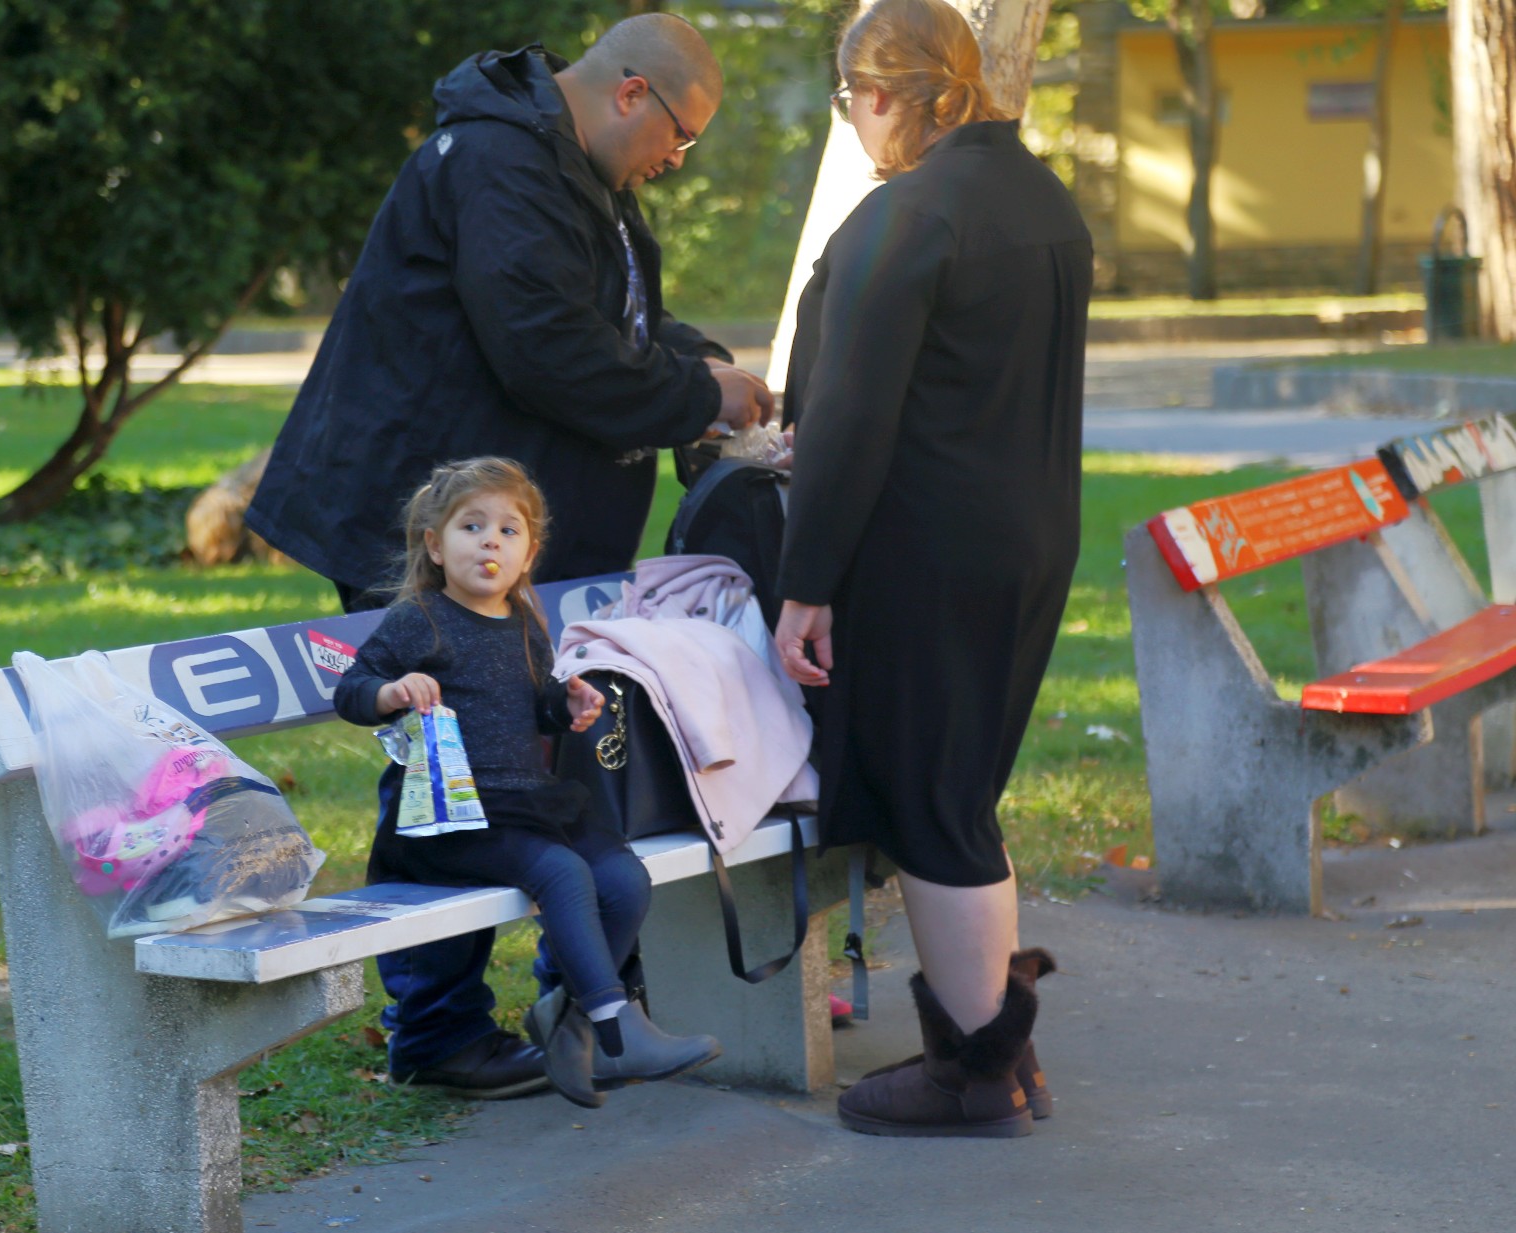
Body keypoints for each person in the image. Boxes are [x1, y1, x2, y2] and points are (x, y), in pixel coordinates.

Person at [249, 13, 772, 1098]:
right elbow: (550, 353)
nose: (679, 160)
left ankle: (579, 996)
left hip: (502, 544)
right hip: (425, 535)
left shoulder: (574, 171)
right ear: (632, 93)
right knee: (446, 775)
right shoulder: (499, 161)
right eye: (681, 134)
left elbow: (619, 323)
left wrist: (706, 375)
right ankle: (438, 1029)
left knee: (537, 761)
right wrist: (690, 395)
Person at [772, 0, 1090, 1138]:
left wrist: (804, 583)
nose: (854, 125)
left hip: (928, 546)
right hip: (1030, 530)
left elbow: (847, 420)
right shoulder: (1040, 200)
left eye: (851, 100)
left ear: (883, 95)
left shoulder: (903, 215)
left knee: (929, 800)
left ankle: (974, 1073)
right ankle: (999, 1049)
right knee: (962, 791)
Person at [334, 458, 723, 1107]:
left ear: (529, 553)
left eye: (508, 531)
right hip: (450, 821)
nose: (491, 540)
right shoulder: (419, 618)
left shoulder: (523, 622)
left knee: (623, 877)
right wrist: (390, 691)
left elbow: (534, 702)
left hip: (522, 804)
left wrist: (565, 706)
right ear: (435, 544)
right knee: (564, 874)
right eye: (472, 525)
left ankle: (572, 1017)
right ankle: (614, 1028)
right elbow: (352, 688)